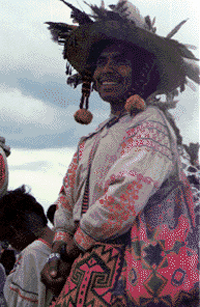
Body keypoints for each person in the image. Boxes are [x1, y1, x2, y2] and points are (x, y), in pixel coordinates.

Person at [41, 1, 200, 306]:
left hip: (128, 273)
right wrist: (58, 250)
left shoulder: (151, 124)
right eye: (101, 62)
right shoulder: (91, 139)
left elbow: (123, 197)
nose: (106, 70)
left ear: (142, 71)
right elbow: (65, 200)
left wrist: (72, 248)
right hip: (81, 268)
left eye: (120, 61)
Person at [0, 186, 54, 307]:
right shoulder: (57, 244)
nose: (12, 246)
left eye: (9, 239)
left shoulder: (33, 253)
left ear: (15, 230)